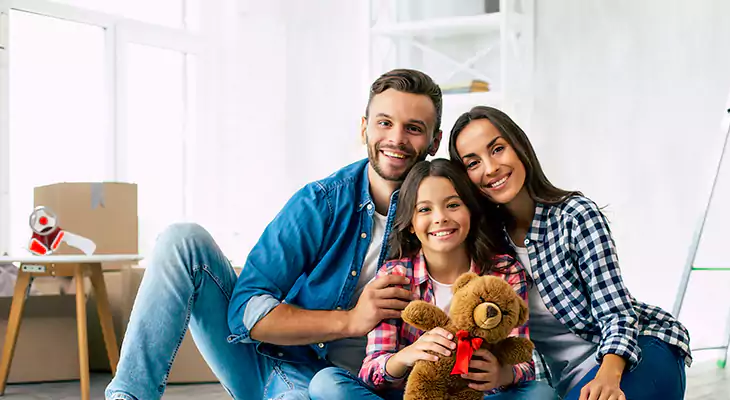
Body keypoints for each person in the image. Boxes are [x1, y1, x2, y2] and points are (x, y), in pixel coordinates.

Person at [104, 69, 444, 400]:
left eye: (413, 128)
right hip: (275, 361)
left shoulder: (447, 215)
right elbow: (246, 311)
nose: (396, 139)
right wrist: (351, 320)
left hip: (353, 385)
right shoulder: (321, 202)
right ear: (364, 128)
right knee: (182, 241)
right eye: (384, 123)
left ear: (434, 141)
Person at [448, 106, 692, 400]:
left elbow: (616, 311)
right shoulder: (486, 246)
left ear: (520, 147)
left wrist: (609, 377)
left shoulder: (575, 216)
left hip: (633, 352)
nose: (490, 168)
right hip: (561, 383)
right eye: (473, 163)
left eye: (497, 149)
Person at [308, 159, 557, 400]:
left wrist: (502, 374)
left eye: (453, 205)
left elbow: (524, 361)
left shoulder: (504, 271)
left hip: (476, 397)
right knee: (327, 383)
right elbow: (372, 371)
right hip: (411, 395)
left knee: (540, 394)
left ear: (470, 210)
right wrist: (407, 356)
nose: (440, 218)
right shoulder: (394, 277)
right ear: (411, 224)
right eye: (425, 209)